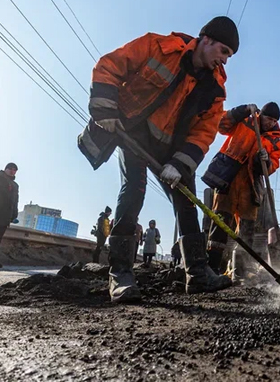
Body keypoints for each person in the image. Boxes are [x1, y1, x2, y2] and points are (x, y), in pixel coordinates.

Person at [78, 16, 239, 302]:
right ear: (207, 40)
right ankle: (120, 276)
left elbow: (204, 133)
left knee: (186, 205)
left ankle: (198, 274)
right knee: (133, 192)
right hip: (135, 135)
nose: (225, 61)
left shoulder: (215, 91)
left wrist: (179, 164)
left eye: (229, 56)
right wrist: (105, 108)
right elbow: (110, 65)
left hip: (172, 152)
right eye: (224, 51)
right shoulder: (157, 47)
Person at [203, 102, 280, 278]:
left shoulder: (275, 141)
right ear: (260, 115)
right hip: (229, 178)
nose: (270, 123)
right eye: (268, 118)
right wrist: (242, 110)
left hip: (250, 183)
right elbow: (221, 124)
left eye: (274, 121)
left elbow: (272, 167)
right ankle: (213, 266)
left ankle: (241, 270)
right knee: (221, 222)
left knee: (247, 228)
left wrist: (266, 161)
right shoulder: (244, 122)